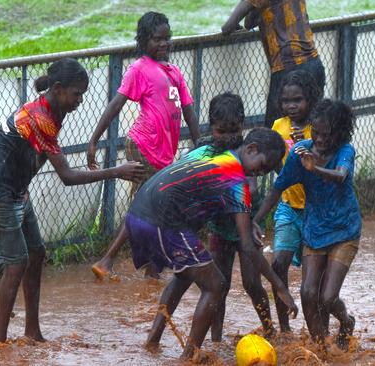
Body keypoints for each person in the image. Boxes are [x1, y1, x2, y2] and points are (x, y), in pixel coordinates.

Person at [0, 58, 144, 342]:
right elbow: (66, 176)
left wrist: (22, 184)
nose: (81, 100)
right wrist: (115, 171)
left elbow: (31, 156)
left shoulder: (54, 110)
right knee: (16, 263)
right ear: (60, 88)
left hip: (13, 186)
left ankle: (32, 331)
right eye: (77, 94)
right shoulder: (42, 117)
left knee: (36, 254)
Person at [125, 127, 298, 359]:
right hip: (164, 222)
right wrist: (280, 286)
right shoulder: (237, 182)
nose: (261, 173)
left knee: (183, 275)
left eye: (267, 171)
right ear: (251, 148)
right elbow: (247, 246)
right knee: (216, 284)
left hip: (137, 213)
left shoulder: (209, 150)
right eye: (263, 165)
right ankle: (188, 358)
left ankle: (152, 342)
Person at [88, 11, 200, 280]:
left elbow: (189, 112)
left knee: (149, 209)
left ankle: (149, 267)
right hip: (144, 146)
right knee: (146, 208)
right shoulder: (139, 69)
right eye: (157, 39)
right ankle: (111, 260)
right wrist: (94, 140)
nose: (164, 44)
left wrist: (200, 146)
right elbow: (116, 104)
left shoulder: (174, 72)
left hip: (164, 153)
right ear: (144, 41)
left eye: (167, 39)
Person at [253, 99, 360, 349]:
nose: (320, 140)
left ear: (340, 133)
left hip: (345, 232)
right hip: (314, 231)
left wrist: (315, 169)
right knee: (308, 293)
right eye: (317, 133)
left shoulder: (345, 151)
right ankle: (321, 350)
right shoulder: (300, 152)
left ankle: (346, 321)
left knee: (328, 296)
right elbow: (277, 189)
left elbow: (341, 176)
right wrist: (255, 221)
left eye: (327, 135)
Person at [196, 93, 274, 341]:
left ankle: (269, 329)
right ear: (211, 127)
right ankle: (216, 339)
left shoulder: (248, 148)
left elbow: (254, 186)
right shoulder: (205, 151)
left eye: (234, 130)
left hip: (247, 224)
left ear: (242, 124)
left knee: (252, 283)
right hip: (219, 226)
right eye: (222, 131)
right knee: (220, 285)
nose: (229, 136)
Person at [269, 69, 321, 333]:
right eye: (287, 101)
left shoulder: (319, 127)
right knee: (278, 263)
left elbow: (326, 164)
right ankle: (284, 327)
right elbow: (276, 164)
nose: (291, 106)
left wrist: (308, 148)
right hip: (288, 206)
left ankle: (317, 327)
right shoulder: (279, 127)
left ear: (309, 100)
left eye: (297, 100)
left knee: (313, 277)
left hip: (315, 210)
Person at [221, 0, 325, 128]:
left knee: (274, 132)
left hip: (287, 66)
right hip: (313, 63)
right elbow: (250, 22)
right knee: (312, 126)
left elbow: (227, 28)